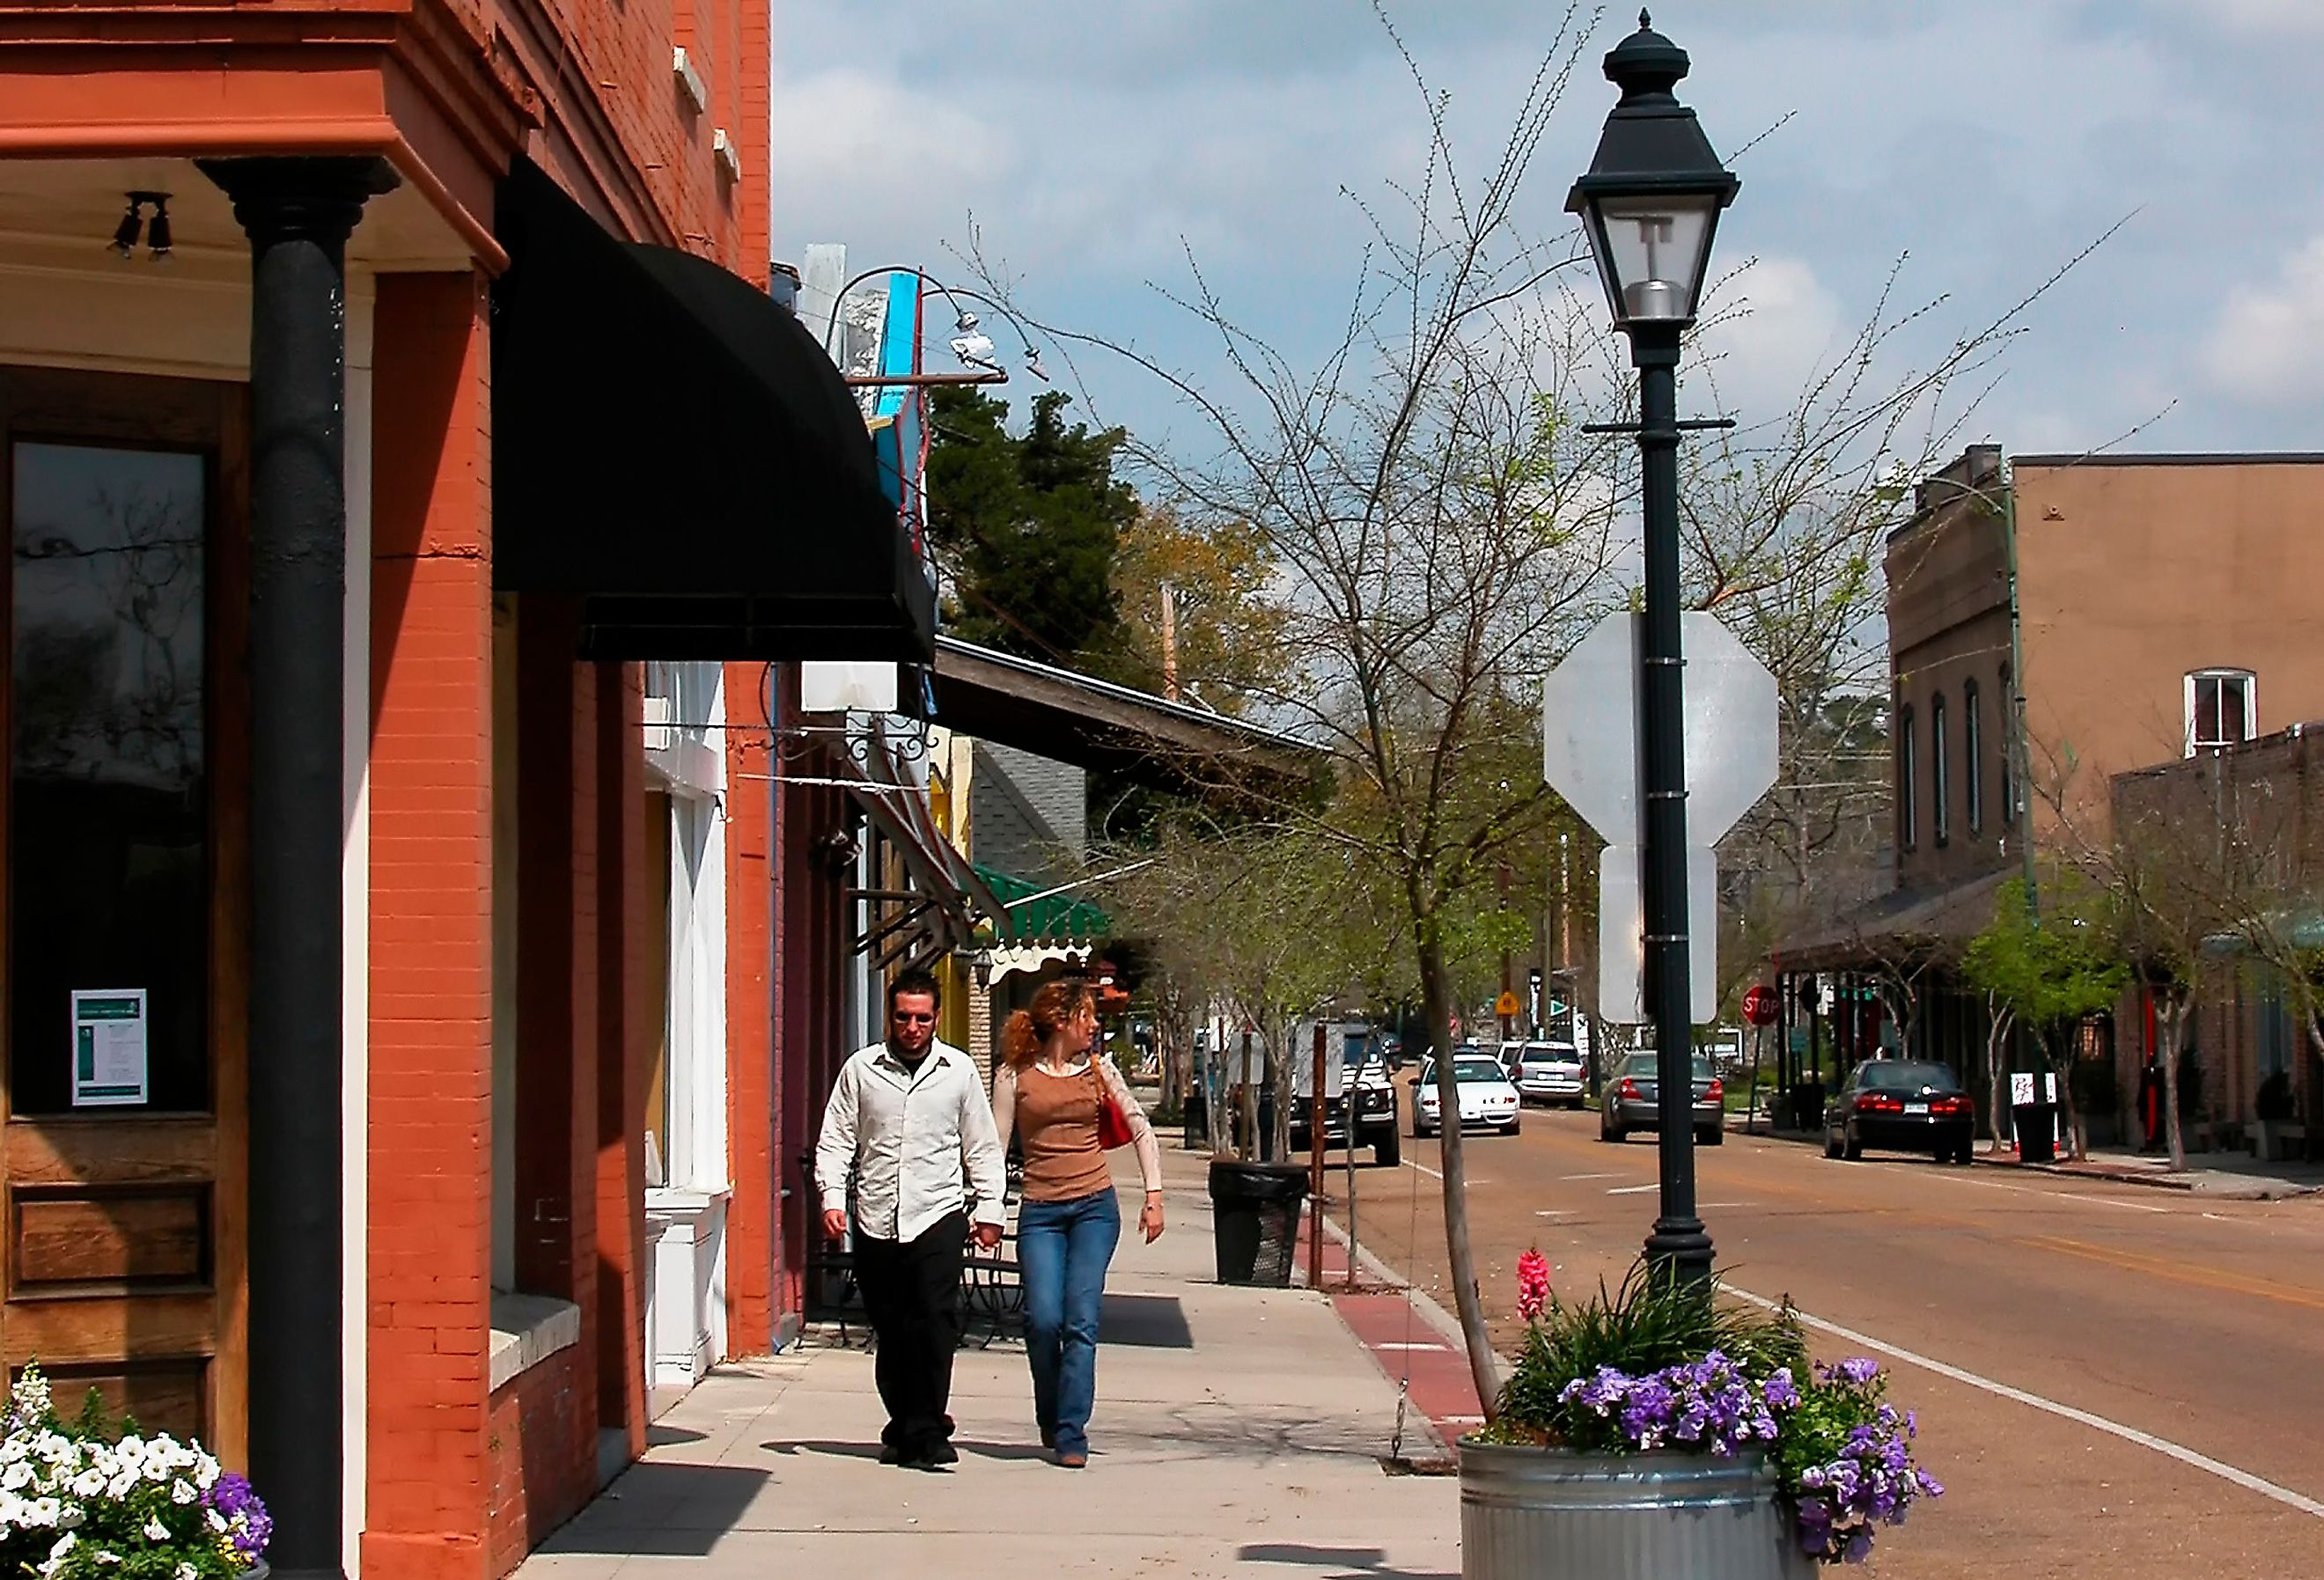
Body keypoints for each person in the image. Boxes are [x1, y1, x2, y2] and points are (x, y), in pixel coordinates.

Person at [814, 969, 1005, 1470]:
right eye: (904, 1017)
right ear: (890, 1016)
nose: (913, 1027)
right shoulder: (861, 1070)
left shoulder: (958, 1072)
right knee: (892, 1327)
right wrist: (832, 1197)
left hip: (938, 1212)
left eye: (923, 1018)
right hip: (877, 1215)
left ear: (937, 1018)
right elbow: (835, 1139)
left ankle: (927, 1427)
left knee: (936, 1321)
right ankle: (904, 1424)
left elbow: (982, 1146)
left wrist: (990, 1209)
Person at [990, 979, 1165, 1467]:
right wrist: (985, 1208)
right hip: (1040, 1210)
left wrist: (1154, 1196)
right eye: (1087, 1016)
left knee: (1080, 1320)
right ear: (1063, 1020)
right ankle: (1051, 1410)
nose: (1094, 1026)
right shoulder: (1013, 1076)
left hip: (1094, 1208)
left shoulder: (1100, 1070)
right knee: (1043, 1320)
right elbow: (993, 1147)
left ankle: (1071, 1433)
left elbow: (1140, 1128)